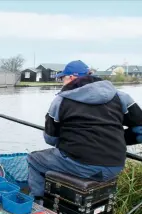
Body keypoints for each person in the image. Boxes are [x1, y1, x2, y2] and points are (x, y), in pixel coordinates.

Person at [27, 60, 142, 202]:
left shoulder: (61, 101)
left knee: (34, 159)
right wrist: (117, 138)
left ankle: (37, 205)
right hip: (115, 165)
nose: (62, 81)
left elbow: (50, 139)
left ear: (71, 78)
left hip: (80, 164)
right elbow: (140, 131)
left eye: (63, 78)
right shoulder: (120, 96)